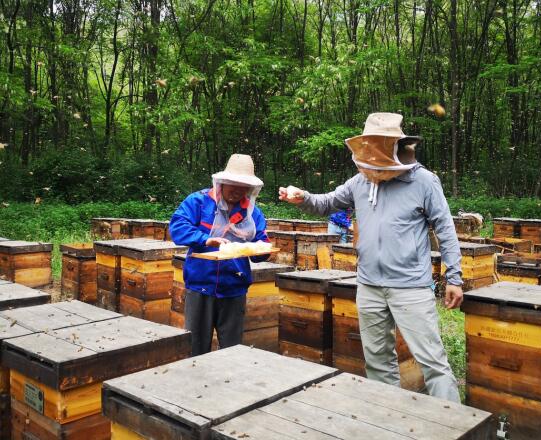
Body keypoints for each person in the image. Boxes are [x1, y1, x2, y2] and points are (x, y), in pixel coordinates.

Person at [279, 112, 463, 403]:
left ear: (394, 147)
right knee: (378, 362)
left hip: (411, 287)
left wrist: (454, 277)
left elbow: (445, 229)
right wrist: (303, 197)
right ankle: (386, 419)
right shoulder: (359, 182)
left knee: (433, 363)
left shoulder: (424, 181)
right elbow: (328, 202)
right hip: (369, 286)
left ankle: (454, 423)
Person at [170, 154, 270, 355]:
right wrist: (205, 239)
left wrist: (262, 249)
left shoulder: (252, 213)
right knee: (195, 348)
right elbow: (177, 228)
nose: (237, 190)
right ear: (222, 181)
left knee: (232, 351)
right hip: (200, 286)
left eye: (243, 186)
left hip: (234, 287)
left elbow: (261, 244)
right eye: (233, 184)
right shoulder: (198, 201)